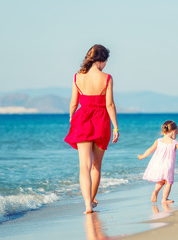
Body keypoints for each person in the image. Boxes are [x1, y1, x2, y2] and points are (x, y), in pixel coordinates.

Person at [64, 44, 119, 214]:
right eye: (105, 62)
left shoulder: (77, 77)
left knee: (84, 167)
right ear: (102, 60)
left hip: (82, 120)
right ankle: (93, 199)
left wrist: (72, 118)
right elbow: (109, 104)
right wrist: (116, 127)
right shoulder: (107, 78)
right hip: (101, 121)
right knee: (96, 166)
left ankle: (88, 204)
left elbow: (73, 103)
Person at [138, 120, 178, 204]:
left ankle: (155, 192)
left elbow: (150, 150)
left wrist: (142, 156)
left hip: (157, 164)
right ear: (173, 132)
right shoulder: (174, 143)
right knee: (168, 182)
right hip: (167, 166)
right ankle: (164, 199)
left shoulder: (158, 141)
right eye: (177, 132)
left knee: (160, 181)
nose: (177, 134)